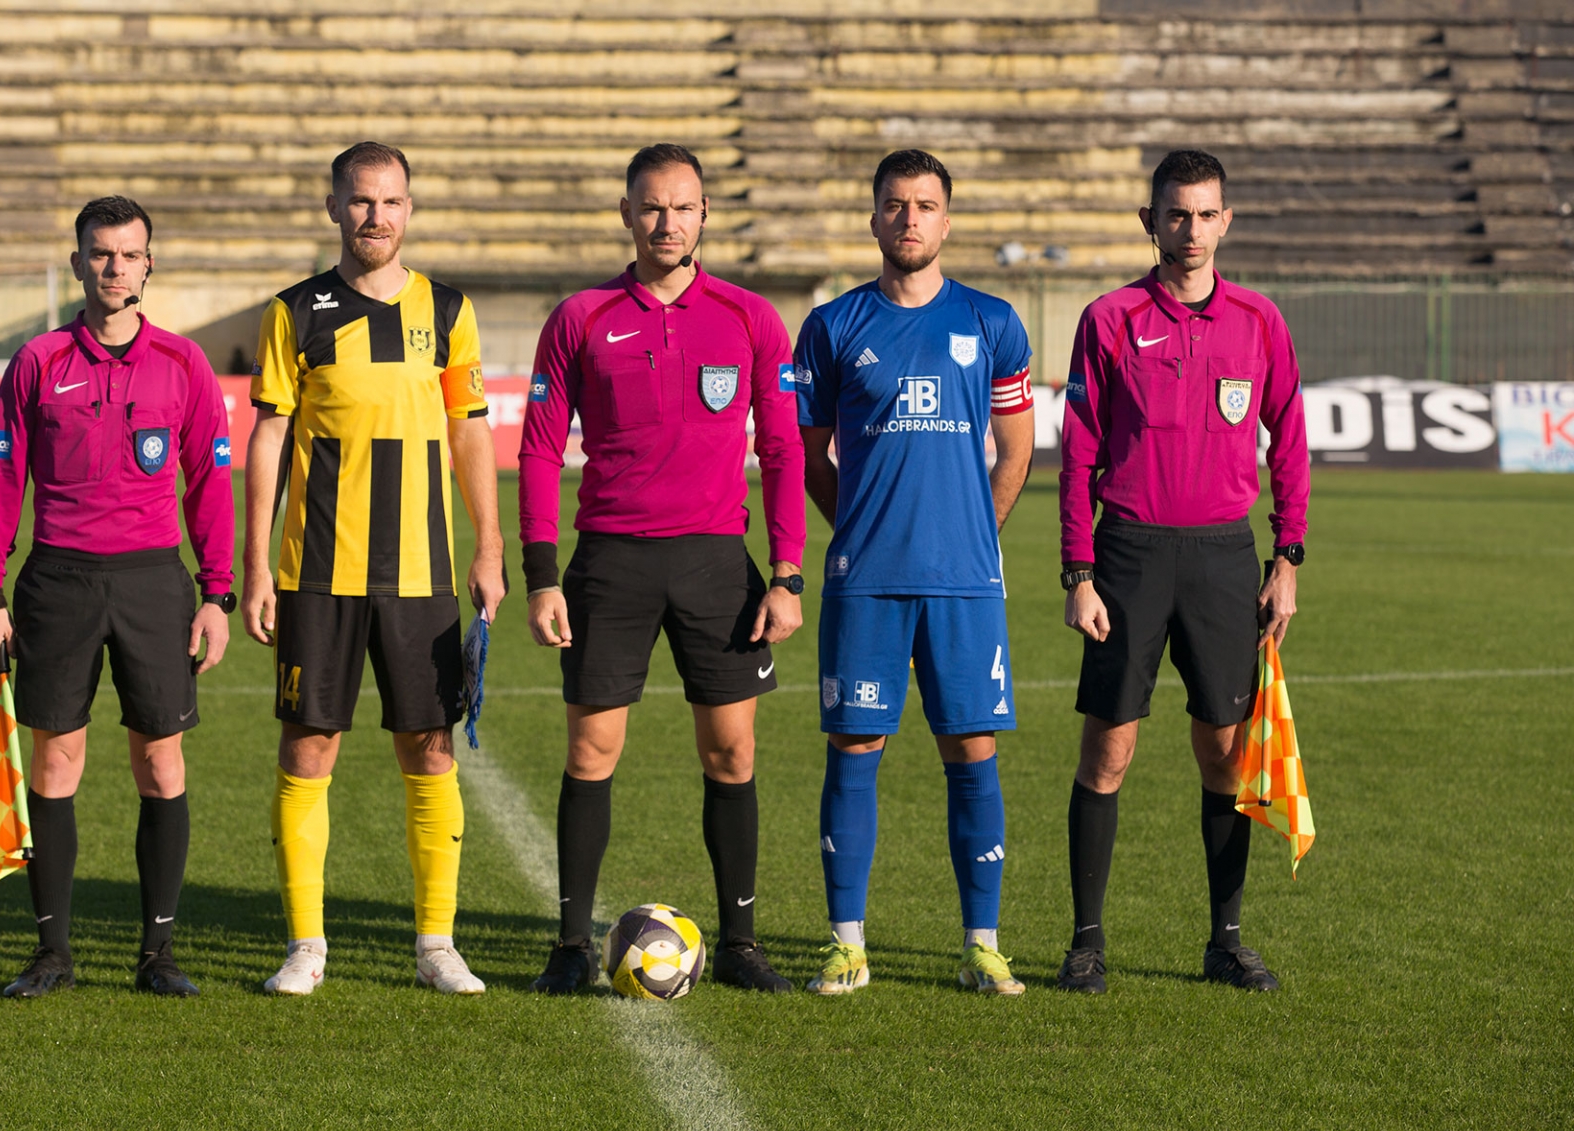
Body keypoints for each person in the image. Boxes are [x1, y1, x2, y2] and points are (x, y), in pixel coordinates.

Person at [518, 143, 805, 995]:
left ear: (704, 213)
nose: (666, 222)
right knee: (591, 749)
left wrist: (787, 574)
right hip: (611, 561)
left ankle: (742, 945)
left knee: (732, 753)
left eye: (682, 207)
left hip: (717, 563)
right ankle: (571, 946)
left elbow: (783, 449)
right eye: (651, 206)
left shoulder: (750, 317)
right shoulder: (581, 316)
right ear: (627, 214)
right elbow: (539, 449)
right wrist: (542, 573)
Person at [242, 141, 507, 997]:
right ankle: (305, 945)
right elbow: (269, 437)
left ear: (409, 209)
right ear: (333, 208)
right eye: (360, 201)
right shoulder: (295, 311)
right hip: (317, 571)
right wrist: (255, 565)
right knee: (308, 746)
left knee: (429, 750)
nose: (375, 216)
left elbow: (470, 431)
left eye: (390, 201)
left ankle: (436, 945)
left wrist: (489, 545)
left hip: (422, 573)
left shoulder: (449, 309)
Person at [1056, 149, 1310, 994]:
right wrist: (1078, 570)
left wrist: (1287, 556)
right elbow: (1078, 453)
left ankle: (1225, 942)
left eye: (1205, 215)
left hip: (1222, 559)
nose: (1191, 230)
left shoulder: (1259, 321)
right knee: (1109, 752)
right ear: (1150, 221)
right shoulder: (1109, 318)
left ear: (1225, 222)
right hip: (1128, 555)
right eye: (1176, 214)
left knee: (1225, 752)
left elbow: (1290, 439)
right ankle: (1086, 943)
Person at [0, 195, 235, 999]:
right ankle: (52, 953)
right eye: (101, 253)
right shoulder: (38, 360)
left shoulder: (184, 363)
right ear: (79, 262)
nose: (115, 267)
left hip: (154, 583)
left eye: (129, 254)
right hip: (59, 582)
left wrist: (216, 592)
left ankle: (158, 955)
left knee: (160, 761)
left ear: (149, 264)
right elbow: (3, 477)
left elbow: (209, 482)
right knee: (57, 760)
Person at [794, 149, 1037, 998]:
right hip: (866, 580)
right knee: (855, 746)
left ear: (946, 220)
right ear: (874, 218)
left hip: (965, 582)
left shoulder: (993, 322)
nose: (910, 219)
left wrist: (974, 531)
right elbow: (810, 456)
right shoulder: (832, 325)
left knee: (971, 748)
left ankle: (982, 946)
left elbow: (1016, 451)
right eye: (895, 205)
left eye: (925, 205)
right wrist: (860, 529)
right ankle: (846, 946)